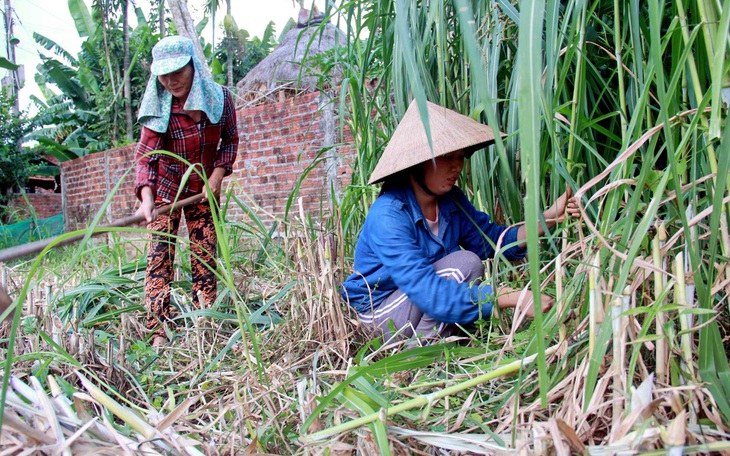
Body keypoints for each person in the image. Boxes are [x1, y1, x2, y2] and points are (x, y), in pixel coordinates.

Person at [341, 100, 578, 343]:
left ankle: (439, 343)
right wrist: (506, 295)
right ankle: (418, 354)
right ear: (416, 164)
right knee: (463, 265)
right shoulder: (389, 214)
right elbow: (427, 292)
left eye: (461, 156)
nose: (457, 167)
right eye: (447, 157)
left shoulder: (451, 201)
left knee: (468, 262)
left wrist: (548, 218)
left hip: (418, 303)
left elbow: (492, 241)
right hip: (379, 314)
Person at [134, 36, 239, 347]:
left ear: (194, 65)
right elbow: (146, 157)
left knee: (205, 256)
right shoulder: (159, 108)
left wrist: (218, 174)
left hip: (204, 190)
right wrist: (147, 199)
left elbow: (230, 140)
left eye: (177, 71)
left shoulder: (220, 99)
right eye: (163, 75)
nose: (171, 81)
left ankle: (204, 323)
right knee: (158, 259)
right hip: (166, 191)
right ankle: (158, 331)